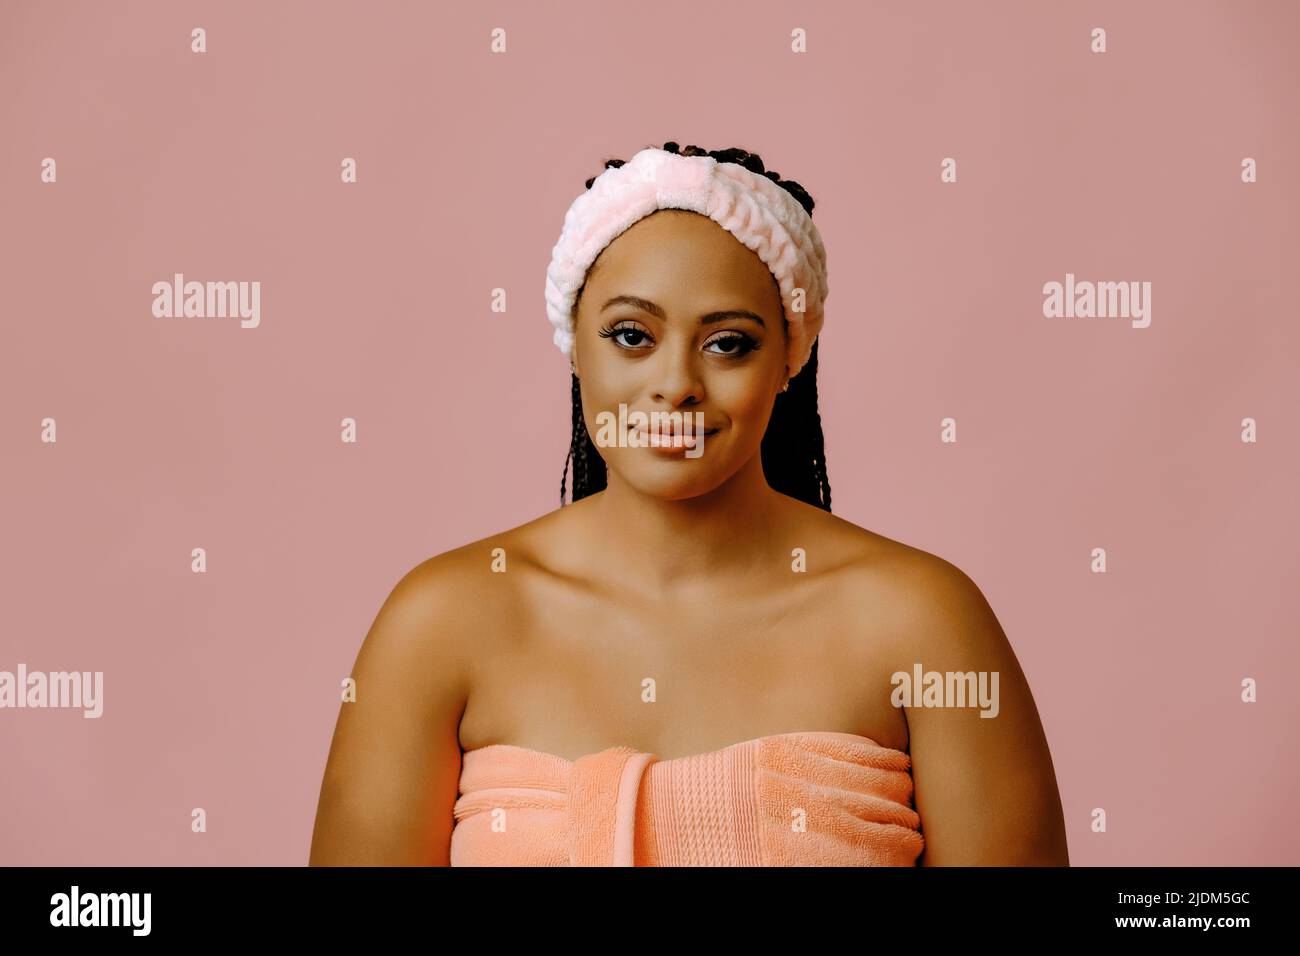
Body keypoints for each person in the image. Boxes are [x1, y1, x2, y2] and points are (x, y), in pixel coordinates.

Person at [309, 141, 1069, 866]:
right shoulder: (440, 622)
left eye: (728, 343)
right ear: (575, 346)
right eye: (632, 335)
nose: (676, 383)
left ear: (787, 359)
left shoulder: (924, 623)